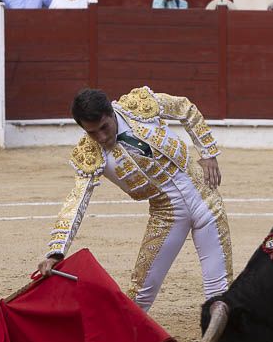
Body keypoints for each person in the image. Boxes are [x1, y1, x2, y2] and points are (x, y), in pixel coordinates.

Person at [38, 87, 231, 311]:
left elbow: (185, 109)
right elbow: (76, 202)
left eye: (104, 127)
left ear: (111, 112)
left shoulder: (140, 105)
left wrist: (208, 153)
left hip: (204, 196)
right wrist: (55, 252)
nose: (101, 137)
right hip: (166, 214)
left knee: (220, 289)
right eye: (92, 133)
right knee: (140, 293)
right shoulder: (89, 154)